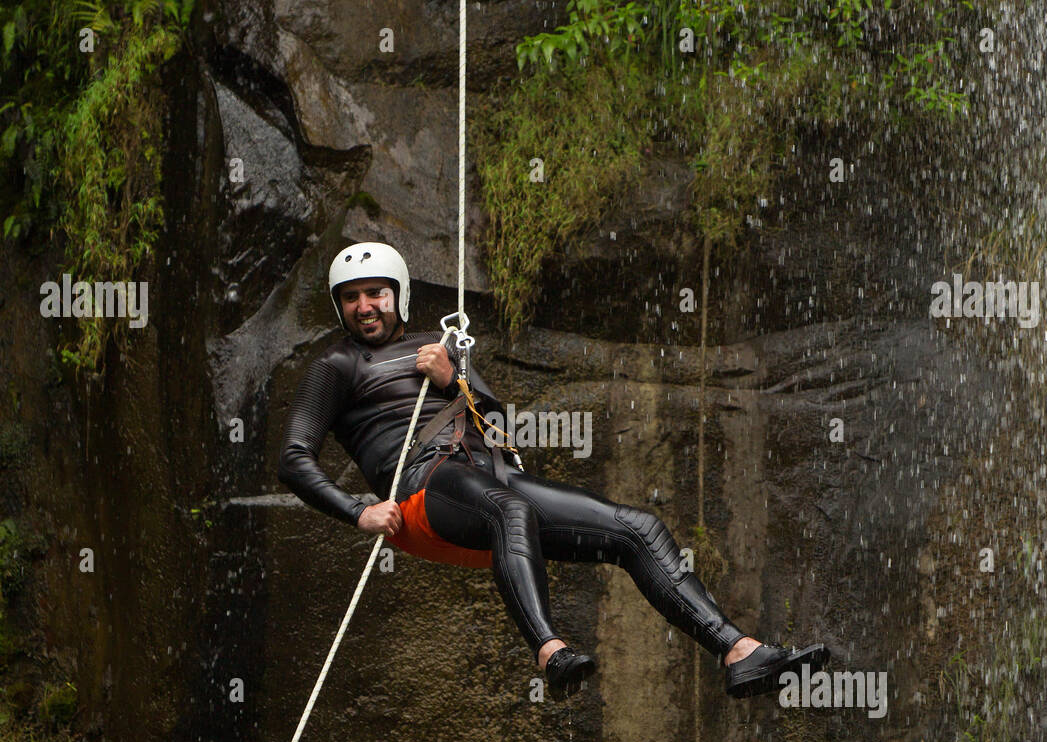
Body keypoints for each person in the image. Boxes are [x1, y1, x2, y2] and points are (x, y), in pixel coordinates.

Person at [277, 241, 829, 698]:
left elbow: (494, 419)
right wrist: (359, 511)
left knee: (635, 528)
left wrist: (453, 379)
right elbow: (294, 458)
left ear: (399, 294)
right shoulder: (337, 365)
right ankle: (550, 651)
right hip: (423, 490)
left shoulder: (440, 347)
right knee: (509, 509)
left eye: (375, 293)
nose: (365, 306)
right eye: (351, 299)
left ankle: (739, 652)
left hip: (489, 474)